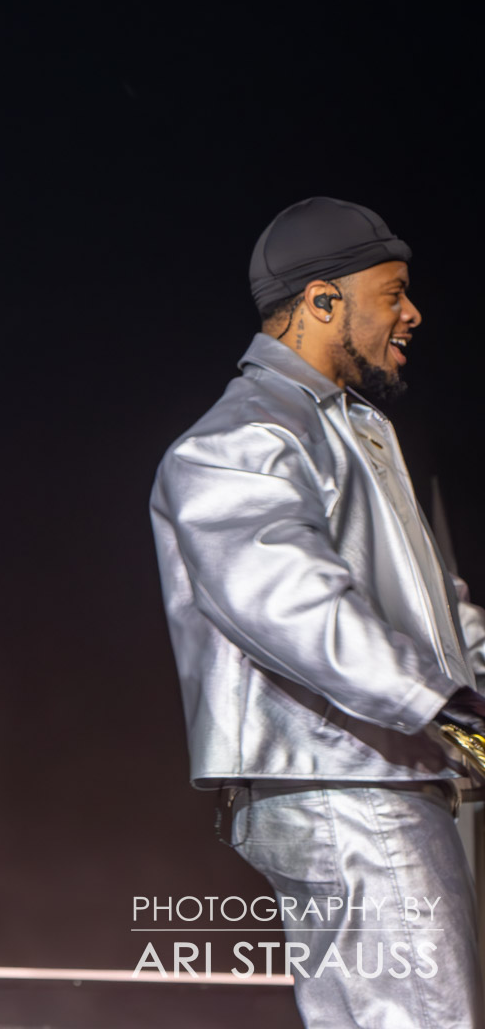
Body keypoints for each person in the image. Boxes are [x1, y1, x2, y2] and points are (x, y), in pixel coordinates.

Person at [151, 196, 485, 1028]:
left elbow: (441, 616)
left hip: (384, 779)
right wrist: (441, 705)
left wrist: (465, 695)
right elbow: (287, 601)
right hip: (346, 784)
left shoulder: (350, 430)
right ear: (322, 301)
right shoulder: (242, 437)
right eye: (393, 293)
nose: (413, 312)